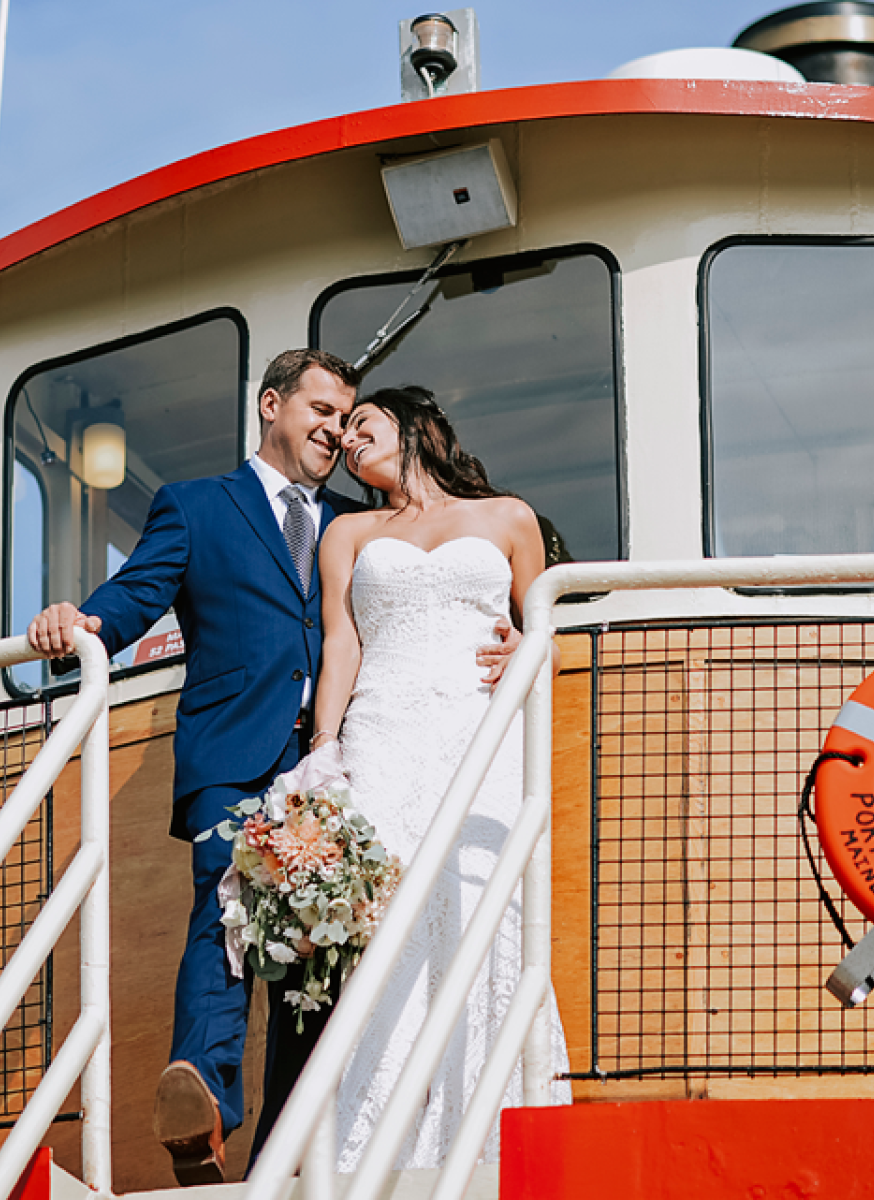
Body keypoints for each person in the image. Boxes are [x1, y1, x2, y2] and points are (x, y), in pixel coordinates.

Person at [26, 353, 518, 1184]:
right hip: (234, 752)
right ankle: (204, 1109)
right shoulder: (196, 506)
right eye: (323, 409)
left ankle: (289, 1145)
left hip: (336, 756)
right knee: (226, 902)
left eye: (349, 416)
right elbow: (139, 593)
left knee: (314, 958)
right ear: (271, 406)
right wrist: (81, 621)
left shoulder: (353, 525)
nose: (337, 428)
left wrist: (509, 633)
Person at [312, 385, 572, 1171]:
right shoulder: (348, 532)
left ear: (414, 427)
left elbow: (546, 630)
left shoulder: (508, 518)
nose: (351, 441)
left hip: (475, 729)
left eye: (364, 424)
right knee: (389, 921)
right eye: (344, 436)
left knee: (483, 908)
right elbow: (342, 646)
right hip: (383, 733)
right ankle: (375, 1144)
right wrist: (326, 746)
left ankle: (493, 1124)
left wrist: (528, 646)